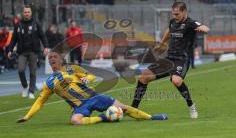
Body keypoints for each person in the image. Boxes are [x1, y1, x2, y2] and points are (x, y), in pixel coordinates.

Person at [16, 51, 168, 125]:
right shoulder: (49, 83)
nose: (52, 59)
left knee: (124, 108)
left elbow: (91, 76)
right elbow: (40, 102)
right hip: (80, 106)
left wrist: (86, 78)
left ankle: (152, 117)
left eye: (55, 57)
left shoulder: (72, 68)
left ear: (62, 59)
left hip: (94, 97)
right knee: (75, 121)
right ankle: (103, 118)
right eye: (50, 58)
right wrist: (27, 116)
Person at [131, 2, 209, 119]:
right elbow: (169, 30)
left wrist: (201, 29)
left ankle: (191, 105)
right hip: (169, 58)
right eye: (173, 14)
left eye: (177, 14)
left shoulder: (190, 23)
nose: (175, 16)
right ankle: (133, 109)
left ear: (184, 12)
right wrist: (162, 42)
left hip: (182, 59)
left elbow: (206, 28)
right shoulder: (173, 22)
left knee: (176, 81)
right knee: (143, 77)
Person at [7, 5, 49, 99]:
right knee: (21, 70)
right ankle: (25, 87)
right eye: (25, 12)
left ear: (31, 13)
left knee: (32, 72)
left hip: (33, 52)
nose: (27, 14)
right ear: (23, 13)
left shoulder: (36, 23)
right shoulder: (18, 24)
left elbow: (42, 36)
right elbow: (14, 39)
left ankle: (31, 92)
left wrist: (46, 46)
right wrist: (10, 49)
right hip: (22, 52)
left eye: (28, 12)